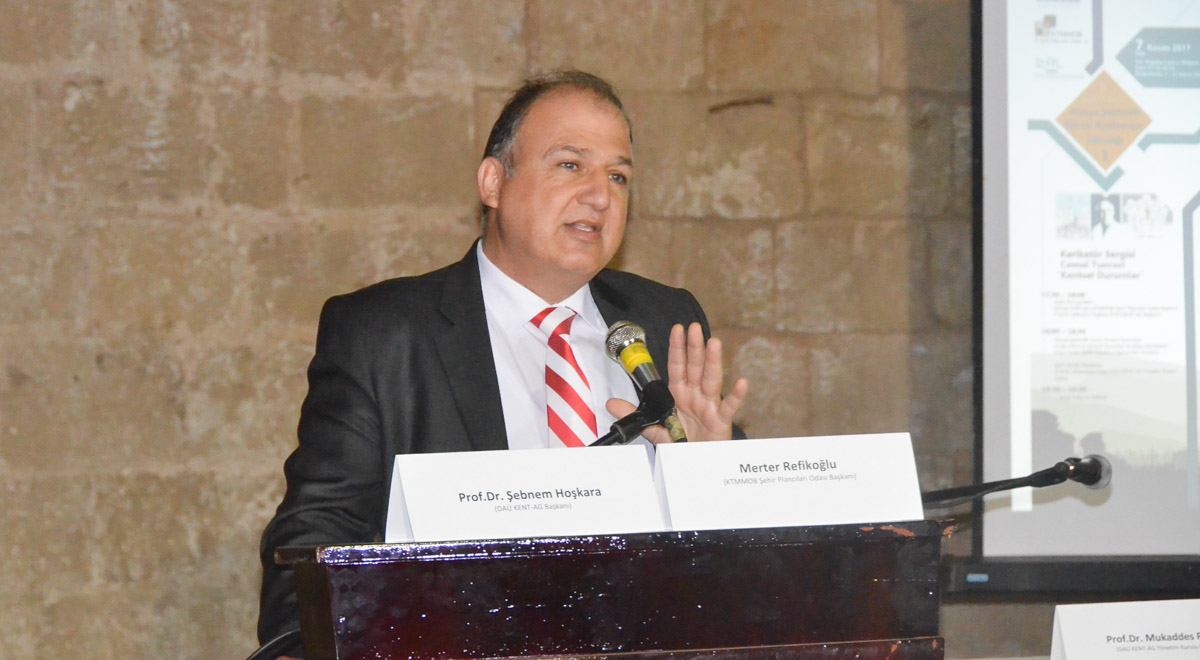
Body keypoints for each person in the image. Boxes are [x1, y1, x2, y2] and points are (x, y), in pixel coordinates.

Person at [257, 71, 749, 658]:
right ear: (493, 181)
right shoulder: (385, 333)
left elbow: (745, 569)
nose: (600, 195)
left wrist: (717, 478)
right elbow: (314, 541)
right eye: (570, 165)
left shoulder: (667, 322)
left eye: (618, 176)